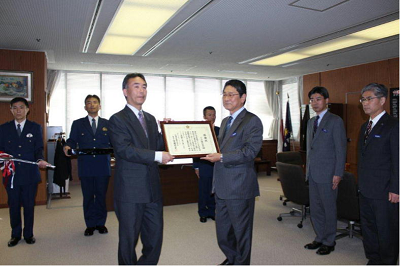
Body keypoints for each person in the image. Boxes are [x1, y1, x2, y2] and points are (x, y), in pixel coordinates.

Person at [108, 73, 174, 265]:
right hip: (130, 189)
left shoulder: (151, 119)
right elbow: (124, 150)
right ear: (125, 91)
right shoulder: (117, 119)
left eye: (144, 86)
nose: (141, 90)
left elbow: (157, 144)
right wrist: (156, 156)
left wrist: (168, 131)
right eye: (136, 86)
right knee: (129, 239)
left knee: (154, 237)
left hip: (152, 188)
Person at [201, 80, 263, 265]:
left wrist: (221, 157)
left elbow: (250, 152)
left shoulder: (252, 120)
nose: (227, 98)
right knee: (223, 231)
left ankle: (241, 262)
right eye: (224, 94)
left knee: (241, 231)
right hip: (221, 184)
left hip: (240, 185)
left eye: (231, 94)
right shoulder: (225, 121)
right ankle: (233, 257)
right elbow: (220, 147)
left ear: (243, 97)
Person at [357, 83, 399, 265]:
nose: (365, 103)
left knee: (386, 230)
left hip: (385, 190)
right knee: (369, 228)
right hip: (366, 189)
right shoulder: (364, 127)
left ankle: (388, 261)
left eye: (369, 99)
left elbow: (398, 160)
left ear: (382, 100)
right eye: (363, 99)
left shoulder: (393, 125)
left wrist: (396, 188)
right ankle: (374, 259)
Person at [0, 97, 49, 247]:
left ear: (27, 110)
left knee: (28, 205)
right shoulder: (3, 128)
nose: (18, 110)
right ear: (11, 110)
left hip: (29, 173)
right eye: (15, 108)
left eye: (21, 107)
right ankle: (15, 234)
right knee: (13, 204)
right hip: (11, 175)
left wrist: (40, 159)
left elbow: (38, 149)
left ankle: (28, 234)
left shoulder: (35, 127)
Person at [304, 86, 347, 255]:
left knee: (328, 208)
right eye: (312, 100)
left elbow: (340, 150)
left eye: (318, 99)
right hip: (313, 173)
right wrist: (307, 171)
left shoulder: (335, 121)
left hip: (328, 174)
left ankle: (329, 241)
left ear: (327, 100)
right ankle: (319, 237)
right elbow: (310, 149)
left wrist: (338, 173)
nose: (315, 103)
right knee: (315, 208)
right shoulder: (310, 122)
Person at [64, 95, 111, 236]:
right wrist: (67, 145)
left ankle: (101, 223)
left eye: (95, 102)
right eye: (89, 103)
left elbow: (115, 141)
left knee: (101, 196)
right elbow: (72, 140)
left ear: (100, 106)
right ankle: (90, 225)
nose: (92, 105)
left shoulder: (108, 124)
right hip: (86, 166)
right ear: (85, 107)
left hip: (103, 165)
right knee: (89, 196)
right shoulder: (78, 123)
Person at [193, 106, 220, 223]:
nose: (212, 117)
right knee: (204, 190)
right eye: (209, 115)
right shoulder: (199, 129)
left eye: (214, 114)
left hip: (217, 165)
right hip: (203, 165)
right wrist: (196, 167)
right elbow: (194, 149)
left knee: (214, 190)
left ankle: (212, 211)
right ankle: (203, 213)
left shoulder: (220, 130)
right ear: (204, 116)